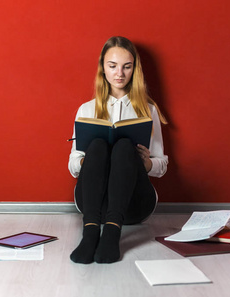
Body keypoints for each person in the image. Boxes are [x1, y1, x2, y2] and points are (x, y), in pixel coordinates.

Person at [68, 36, 168, 264]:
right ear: (103, 68)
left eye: (127, 66)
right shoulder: (86, 109)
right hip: (93, 204)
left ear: (135, 69)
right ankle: (90, 233)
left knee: (124, 146)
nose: (119, 73)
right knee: (98, 145)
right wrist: (90, 160)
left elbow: (162, 165)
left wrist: (148, 163)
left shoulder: (147, 109)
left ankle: (112, 234)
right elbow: (73, 165)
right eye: (112, 66)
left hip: (132, 205)